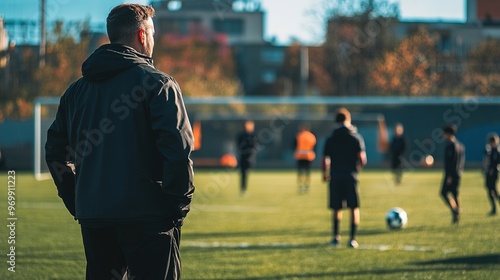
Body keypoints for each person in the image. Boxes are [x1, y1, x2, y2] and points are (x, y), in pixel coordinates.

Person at [45, 4, 195, 279]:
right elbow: (178, 153)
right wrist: (176, 210)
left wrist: (78, 198)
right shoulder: (159, 84)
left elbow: (55, 153)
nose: (153, 40)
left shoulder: (75, 92)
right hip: (148, 218)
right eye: (152, 33)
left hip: (95, 218)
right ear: (141, 35)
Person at [322, 107, 367, 248]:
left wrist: (325, 174)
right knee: (354, 207)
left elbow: (325, 161)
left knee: (337, 208)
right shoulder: (356, 137)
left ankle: (336, 237)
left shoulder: (330, 138)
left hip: (335, 175)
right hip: (350, 176)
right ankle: (352, 239)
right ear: (348, 120)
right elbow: (362, 159)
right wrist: (356, 168)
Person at [440, 124, 465, 224]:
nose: (443, 135)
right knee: (455, 193)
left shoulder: (452, 146)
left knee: (443, 193)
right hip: (458, 174)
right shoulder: (460, 145)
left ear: (448, 134)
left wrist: (449, 176)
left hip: (451, 174)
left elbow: (453, 163)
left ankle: (455, 210)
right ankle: (456, 215)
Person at [236, 120, 258, 195]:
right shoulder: (241, 135)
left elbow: (254, 146)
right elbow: (238, 146)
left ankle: (244, 188)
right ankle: (243, 189)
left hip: (250, 157)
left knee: (247, 171)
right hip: (243, 157)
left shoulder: (253, 135)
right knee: (243, 173)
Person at [293, 123, 316, 193]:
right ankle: (307, 186)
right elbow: (314, 146)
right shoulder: (312, 136)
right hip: (308, 156)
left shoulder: (299, 135)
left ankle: (300, 186)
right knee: (307, 173)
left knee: (300, 172)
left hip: (300, 156)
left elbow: (294, 145)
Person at [483, 133, 500, 215]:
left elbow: (496, 162)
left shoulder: (497, 151)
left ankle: (495, 208)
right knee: (490, 190)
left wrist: (493, 169)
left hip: (494, 173)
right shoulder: (489, 151)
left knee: (494, 190)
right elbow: (486, 160)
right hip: (488, 173)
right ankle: (493, 208)